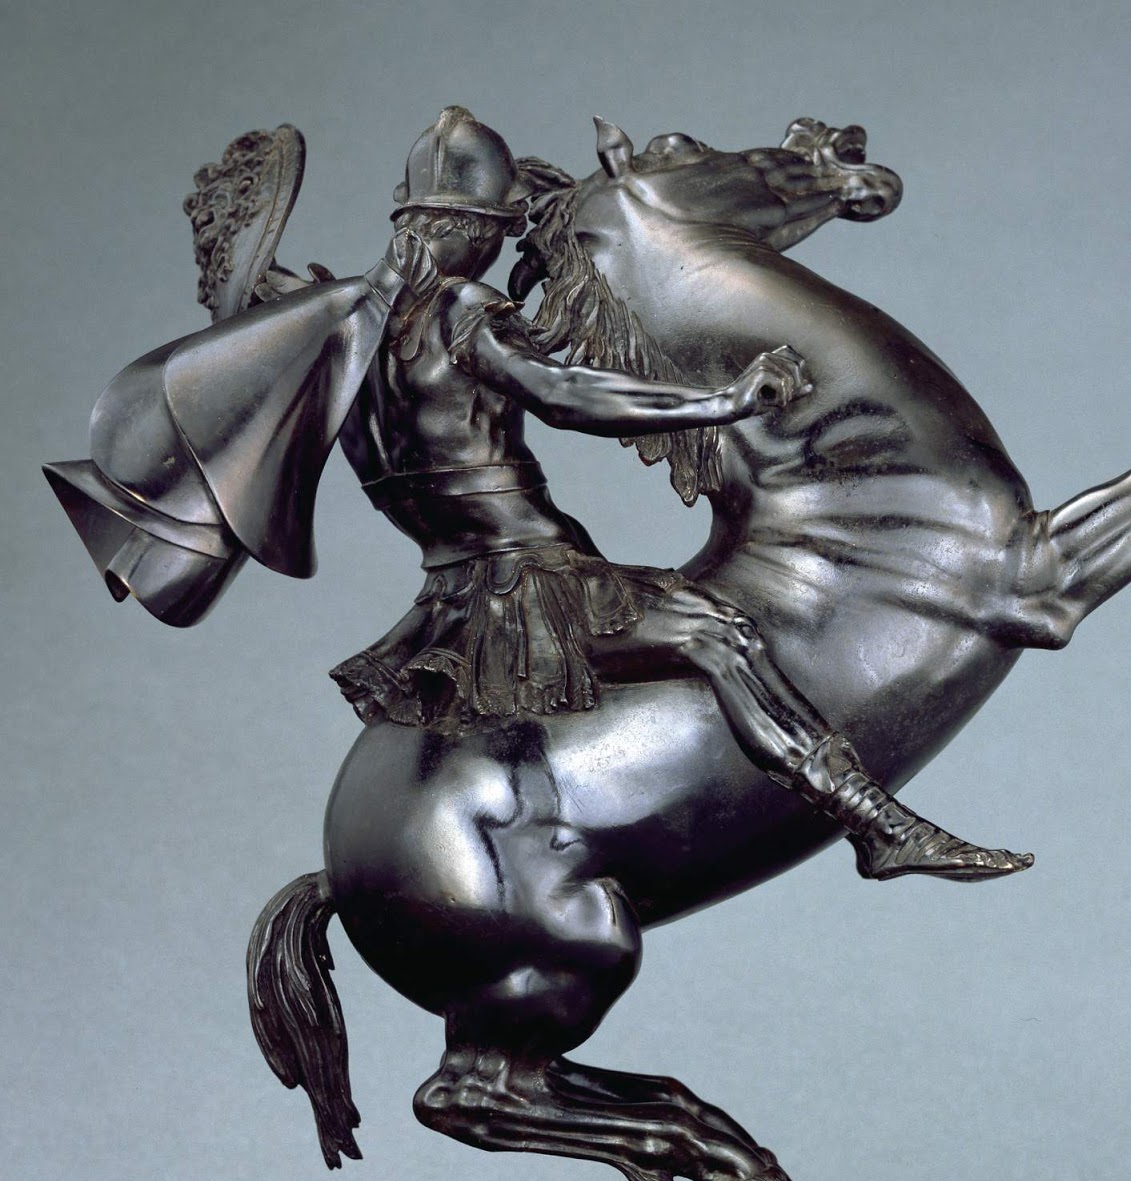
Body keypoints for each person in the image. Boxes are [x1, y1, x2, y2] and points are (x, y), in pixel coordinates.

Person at [330, 109, 1033, 883]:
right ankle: (878, 827)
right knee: (722, 641)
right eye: (494, 233)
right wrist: (720, 402)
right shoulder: (461, 311)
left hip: (450, 593)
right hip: (525, 578)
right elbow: (564, 393)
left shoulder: (355, 336)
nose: (494, 251)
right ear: (475, 228)